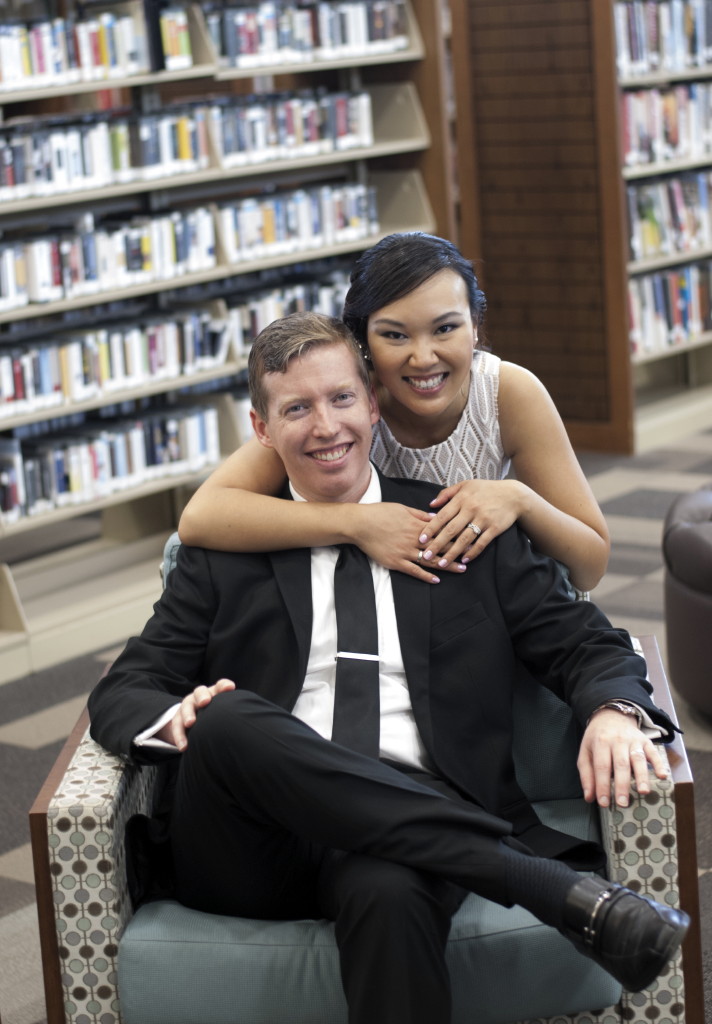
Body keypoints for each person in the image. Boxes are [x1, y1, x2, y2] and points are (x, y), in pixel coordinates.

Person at [89, 312, 687, 1024]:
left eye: (341, 398)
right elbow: (125, 687)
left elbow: (587, 641)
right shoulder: (224, 550)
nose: (325, 426)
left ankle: (537, 885)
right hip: (253, 842)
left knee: (391, 889)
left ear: (373, 404)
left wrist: (614, 712)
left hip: (408, 829)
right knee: (227, 716)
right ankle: (546, 888)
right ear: (261, 428)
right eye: (296, 409)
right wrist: (175, 721)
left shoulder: (461, 528)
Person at [178, 232, 609, 594]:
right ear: (362, 340)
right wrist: (356, 522)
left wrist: (519, 499)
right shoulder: (342, 406)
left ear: (476, 324)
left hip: (481, 602)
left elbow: (591, 565)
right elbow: (201, 517)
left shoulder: (507, 392)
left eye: (445, 328)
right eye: (395, 335)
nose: (423, 359)